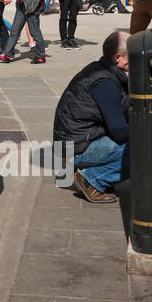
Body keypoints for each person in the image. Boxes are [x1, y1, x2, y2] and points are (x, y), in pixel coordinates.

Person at [52, 29, 131, 203]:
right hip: (77, 148)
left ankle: (99, 173)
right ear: (118, 57)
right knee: (142, 149)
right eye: (132, 56)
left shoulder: (101, 70)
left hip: (77, 139)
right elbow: (119, 131)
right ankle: (93, 180)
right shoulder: (105, 83)